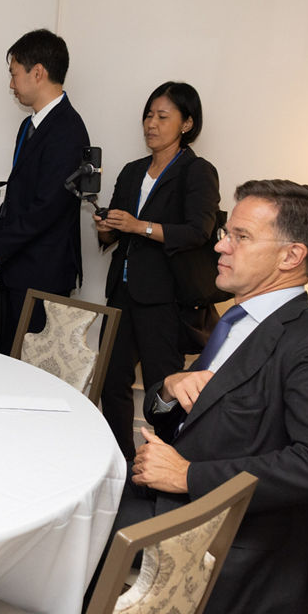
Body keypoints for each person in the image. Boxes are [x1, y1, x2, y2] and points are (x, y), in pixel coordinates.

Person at [117, 179, 308, 614]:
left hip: (232, 536)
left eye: (241, 236)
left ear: (291, 256)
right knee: (74, 490)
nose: (220, 246)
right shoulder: (237, 321)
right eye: (225, 233)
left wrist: (188, 475)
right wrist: (169, 388)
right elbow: (191, 412)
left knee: (71, 525)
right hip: (173, 496)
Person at [94, 82, 220, 461]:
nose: (151, 123)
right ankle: (121, 465)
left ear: (187, 124)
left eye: (163, 116)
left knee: (162, 392)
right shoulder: (133, 171)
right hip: (122, 293)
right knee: (111, 384)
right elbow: (114, 233)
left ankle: (163, 468)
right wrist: (107, 227)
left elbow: (198, 231)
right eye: (149, 115)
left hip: (164, 299)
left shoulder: (197, 171)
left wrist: (139, 226)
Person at [0, 29, 89, 351]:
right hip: (18, 267)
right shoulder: (29, 125)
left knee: (27, 361)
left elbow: (47, 206)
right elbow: (16, 194)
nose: (11, 85)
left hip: (44, 273)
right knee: (7, 353)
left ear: (37, 72)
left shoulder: (68, 130)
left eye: (14, 74)